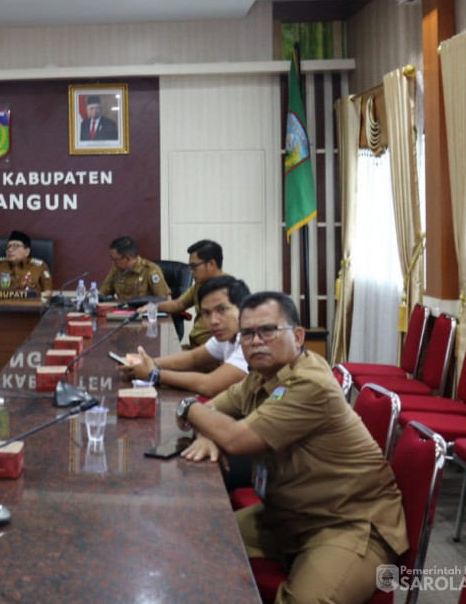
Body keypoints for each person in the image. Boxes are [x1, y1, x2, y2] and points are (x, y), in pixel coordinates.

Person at [177, 292, 407, 604]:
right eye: (247, 333)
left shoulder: (310, 383)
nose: (256, 341)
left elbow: (233, 436)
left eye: (268, 331)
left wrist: (188, 408)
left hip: (347, 523)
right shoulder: (261, 375)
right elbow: (217, 410)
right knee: (195, 539)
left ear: (298, 336)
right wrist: (208, 433)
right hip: (286, 515)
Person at [116, 276, 250, 396]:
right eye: (206, 313)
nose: (213, 321)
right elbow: (193, 358)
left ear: (243, 308)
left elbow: (209, 385)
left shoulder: (251, 341)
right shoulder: (227, 335)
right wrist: (147, 363)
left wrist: (154, 374)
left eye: (222, 309)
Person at [156, 239, 230, 348]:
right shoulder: (200, 285)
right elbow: (178, 304)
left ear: (211, 264)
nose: (191, 271)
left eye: (194, 266)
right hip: (195, 349)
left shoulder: (227, 290)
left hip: (210, 355)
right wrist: (152, 307)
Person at [97, 236, 171, 302]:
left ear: (129, 258)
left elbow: (166, 300)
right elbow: (102, 294)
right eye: (112, 259)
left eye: (115, 259)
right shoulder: (116, 269)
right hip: (119, 313)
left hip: (141, 313)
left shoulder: (150, 270)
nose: (113, 263)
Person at [0, 230, 52, 297]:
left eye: (16, 246)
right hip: (3, 305)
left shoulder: (39, 266)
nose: (10, 250)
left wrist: (31, 296)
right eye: (8, 246)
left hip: (30, 305)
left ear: (27, 252)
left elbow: (48, 293)